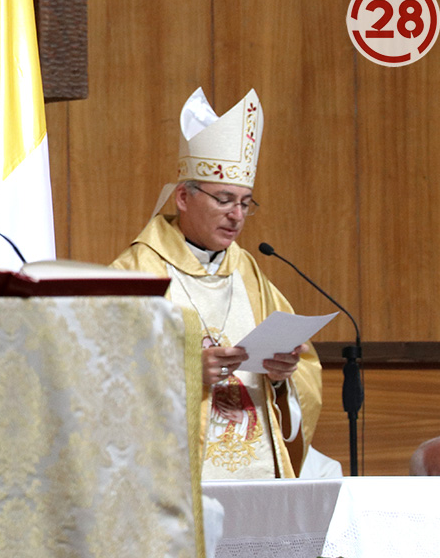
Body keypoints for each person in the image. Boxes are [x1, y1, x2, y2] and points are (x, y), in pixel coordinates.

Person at [111, 88, 322, 479]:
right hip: (175, 482)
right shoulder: (134, 273)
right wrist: (184, 373)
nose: (236, 216)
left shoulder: (250, 273)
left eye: (245, 203)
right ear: (183, 198)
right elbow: (102, 375)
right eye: (224, 199)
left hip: (258, 477)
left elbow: (304, 368)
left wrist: (281, 379)